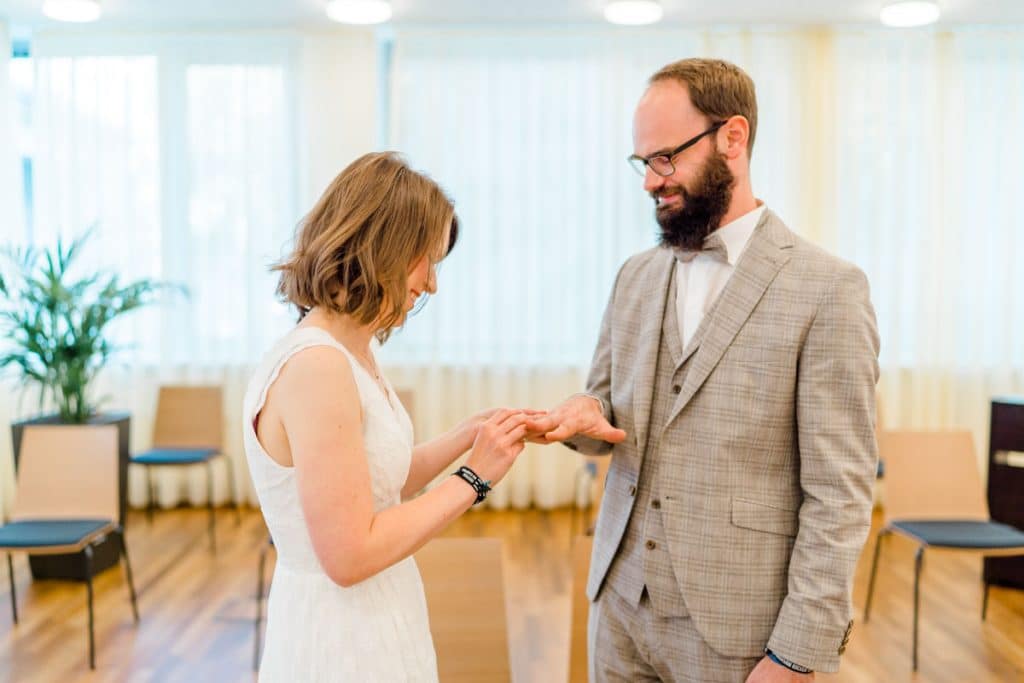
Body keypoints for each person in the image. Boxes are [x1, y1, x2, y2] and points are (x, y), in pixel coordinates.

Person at [527, 58, 880, 682]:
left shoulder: (829, 289)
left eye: (666, 158)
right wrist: (585, 415)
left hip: (739, 628)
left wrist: (795, 654)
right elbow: (605, 405)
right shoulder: (634, 276)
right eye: (642, 162)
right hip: (617, 608)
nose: (650, 181)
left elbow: (840, 493)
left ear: (733, 138)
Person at [243, 152, 534, 681]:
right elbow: (349, 555)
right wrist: (474, 478)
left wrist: (469, 434)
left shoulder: (351, 349)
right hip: (339, 638)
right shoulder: (318, 366)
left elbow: (378, 481)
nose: (432, 284)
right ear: (385, 245)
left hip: (377, 615)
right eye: (428, 260)